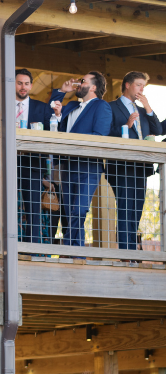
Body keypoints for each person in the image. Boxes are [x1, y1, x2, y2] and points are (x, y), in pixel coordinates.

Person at [50, 73, 113, 246]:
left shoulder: (101, 106)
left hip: (88, 166)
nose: (79, 83)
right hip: (67, 165)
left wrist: (73, 141)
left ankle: (72, 250)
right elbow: (51, 114)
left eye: (83, 81)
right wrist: (62, 92)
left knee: (79, 210)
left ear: (93, 87)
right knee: (68, 212)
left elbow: (100, 135)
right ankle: (75, 251)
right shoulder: (71, 105)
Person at [106, 71, 161, 251]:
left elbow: (158, 130)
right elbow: (105, 131)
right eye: (138, 85)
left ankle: (131, 252)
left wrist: (148, 107)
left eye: (143, 86)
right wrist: (126, 126)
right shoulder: (111, 106)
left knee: (136, 210)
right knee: (125, 209)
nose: (141, 89)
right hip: (121, 166)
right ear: (127, 85)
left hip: (141, 167)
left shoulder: (143, 110)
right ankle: (125, 253)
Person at [14, 68, 56, 244]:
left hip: (33, 164)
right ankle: (10, 246)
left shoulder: (42, 108)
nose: (23, 87)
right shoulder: (2, 105)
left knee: (33, 208)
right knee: (7, 207)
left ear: (31, 86)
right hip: (8, 162)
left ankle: (32, 247)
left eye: (26, 83)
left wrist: (47, 172)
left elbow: (52, 133)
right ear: (13, 84)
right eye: (19, 83)